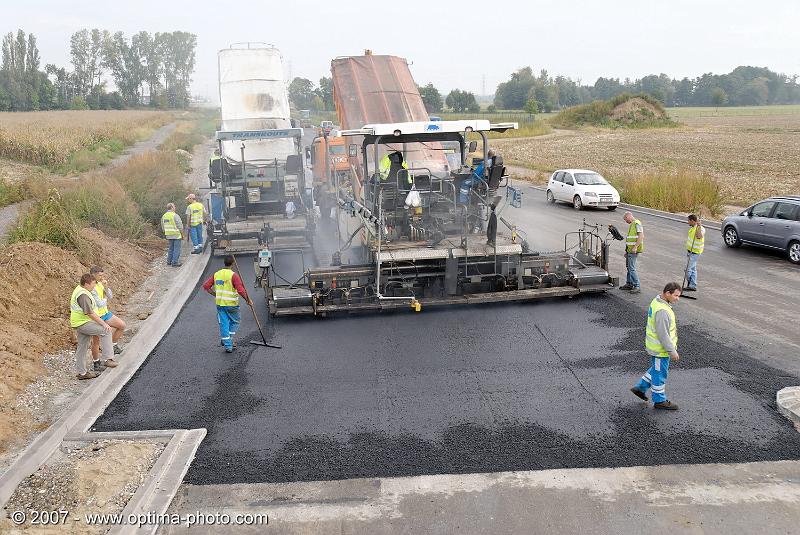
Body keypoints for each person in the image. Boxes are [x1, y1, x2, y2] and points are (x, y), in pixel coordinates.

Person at [630, 282, 682, 410]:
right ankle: (659, 400)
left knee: (656, 369)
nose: (677, 299)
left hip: (657, 348)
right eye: (676, 295)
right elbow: (663, 335)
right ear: (667, 293)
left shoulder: (657, 301)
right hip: (661, 350)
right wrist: (672, 351)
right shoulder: (663, 312)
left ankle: (640, 388)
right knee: (660, 374)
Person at [70, 273, 118, 380]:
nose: (94, 286)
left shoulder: (81, 289)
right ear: (86, 284)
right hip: (83, 322)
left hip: (79, 322)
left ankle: (81, 373)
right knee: (105, 331)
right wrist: (103, 323)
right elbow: (89, 313)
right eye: (92, 284)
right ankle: (107, 359)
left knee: (82, 347)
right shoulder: (83, 295)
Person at [202, 255, 253, 353]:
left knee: (224, 324)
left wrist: (215, 294)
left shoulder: (217, 274)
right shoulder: (233, 275)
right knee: (235, 321)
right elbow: (241, 290)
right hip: (231, 305)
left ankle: (226, 343)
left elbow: (206, 286)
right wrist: (248, 300)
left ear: (224, 263)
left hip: (220, 305)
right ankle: (228, 341)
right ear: (233, 263)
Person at [89, 266, 127, 372]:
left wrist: (106, 287)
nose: (102, 277)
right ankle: (96, 362)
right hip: (97, 317)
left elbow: (110, 296)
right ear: (93, 275)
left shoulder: (101, 283)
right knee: (96, 341)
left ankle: (113, 345)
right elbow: (100, 303)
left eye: (103, 275)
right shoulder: (91, 287)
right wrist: (105, 298)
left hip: (105, 313)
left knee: (122, 325)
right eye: (100, 275)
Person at [619, 212, 643, 294]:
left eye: (625, 219)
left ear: (628, 216)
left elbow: (641, 236)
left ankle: (637, 286)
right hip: (630, 250)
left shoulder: (637, 223)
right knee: (629, 267)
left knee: (631, 268)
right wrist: (626, 251)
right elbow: (629, 239)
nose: (626, 221)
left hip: (634, 250)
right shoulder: (632, 225)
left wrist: (635, 247)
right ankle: (629, 283)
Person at [684, 214, 704, 291]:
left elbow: (699, 236)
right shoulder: (692, 228)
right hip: (690, 252)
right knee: (693, 269)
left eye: (688, 220)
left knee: (687, 270)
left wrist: (699, 226)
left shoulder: (701, 228)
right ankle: (692, 285)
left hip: (695, 253)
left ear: (692, 221)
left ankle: (692, 284)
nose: (687, 222)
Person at [162, 203, 183, 267]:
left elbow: (163, 227)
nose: (175, 208)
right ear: (171, 207)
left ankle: (169, 261)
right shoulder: (175, 215)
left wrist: (166, 232)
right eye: (174, 206)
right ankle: (174, 262)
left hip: (168, 235)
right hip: (176, 235)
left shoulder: (164, 216)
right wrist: (182, 234)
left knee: (171, 248)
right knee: (176, 249)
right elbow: (180, 226)